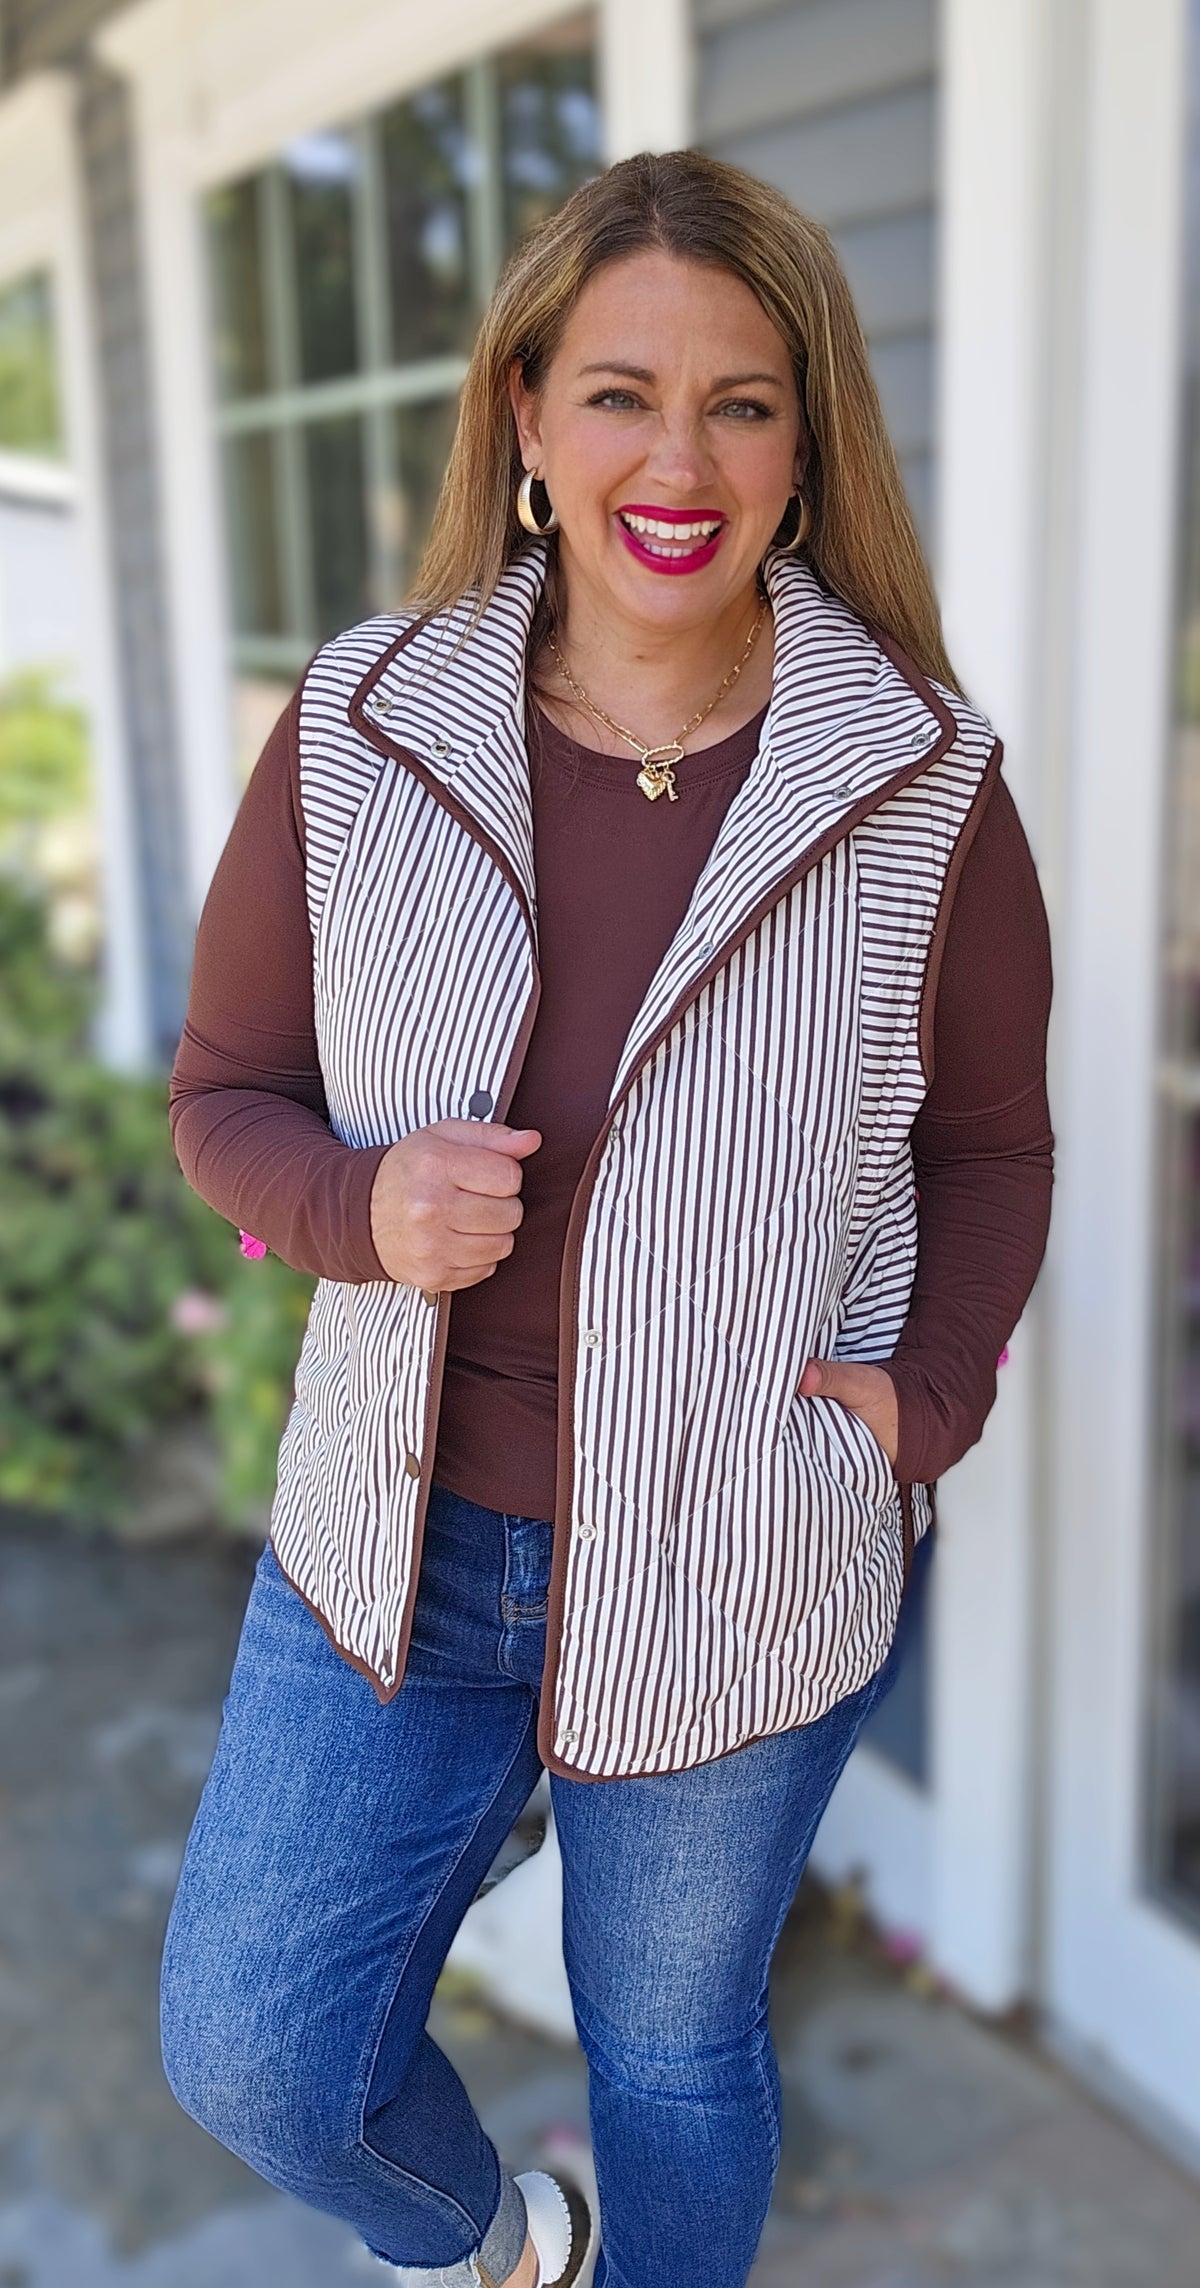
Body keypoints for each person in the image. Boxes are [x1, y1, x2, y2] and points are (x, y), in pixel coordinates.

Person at [162, 149, 1053, 2288]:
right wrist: (365, 1202)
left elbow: (997, 1146)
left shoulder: (920, 776)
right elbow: (227, 1100)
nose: (683, 457)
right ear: (530, 417)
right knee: (257, 2048)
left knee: (671, 2048)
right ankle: (500, 2243)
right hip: (400, 1539)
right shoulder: (369, 726)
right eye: (624, 394)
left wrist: (914, 1404)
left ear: (808, 442)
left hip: (747, 1529)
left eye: (745, 402)